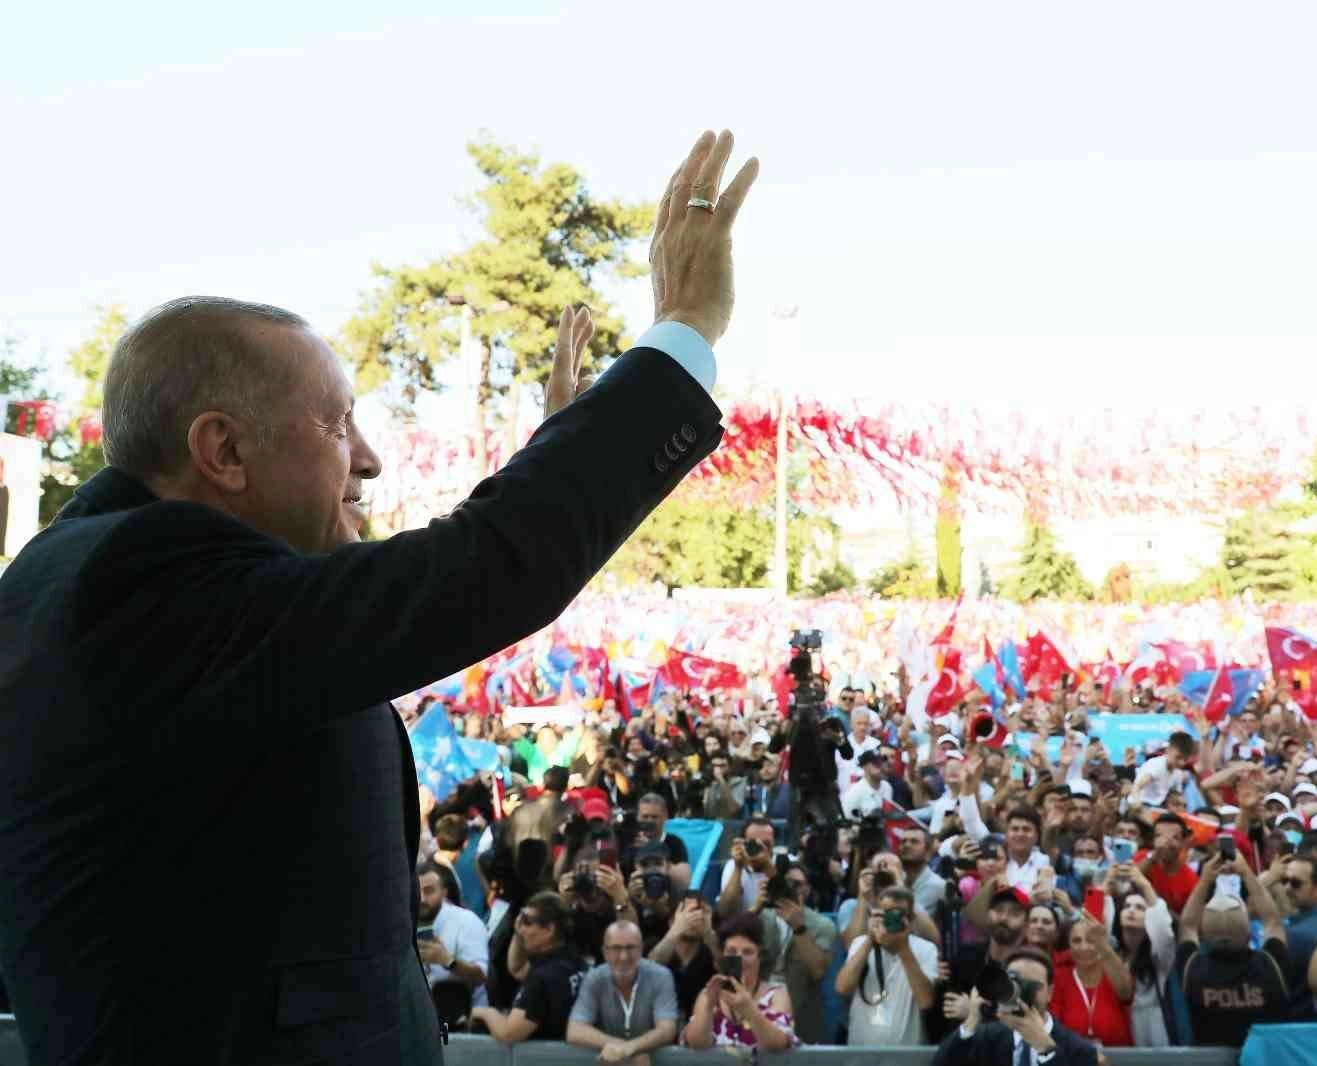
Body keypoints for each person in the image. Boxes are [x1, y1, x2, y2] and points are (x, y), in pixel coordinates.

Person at [0, 128, 757, 1066]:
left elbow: (438, 588)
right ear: (223, 450)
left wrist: (557, 465)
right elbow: (469, 575)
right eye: (337, 422)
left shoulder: (111, 581)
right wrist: (686, 326)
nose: (369, 458)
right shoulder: (135, 587)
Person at [1176, 853, 1292, 1048]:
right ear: (1250, 934)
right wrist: (1246, 872)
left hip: (1208, 1060)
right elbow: (1273, 921)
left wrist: (1205, 880)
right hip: (1264, 1058)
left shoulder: (1192, 968)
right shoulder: (1271, 965)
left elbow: (1187, 926)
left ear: (1204, 935)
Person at [933, 946, 1101, 1066]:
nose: (1022, 993)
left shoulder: (1079, 1049)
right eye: (1014, 983)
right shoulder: (983, 1038)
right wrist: (971, 1022)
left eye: (1033, 985)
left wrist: (1046, 1049)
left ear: (1050, 992)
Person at [469, 892, 586, 1042]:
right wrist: (519, 934)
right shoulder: (571, 959)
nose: (520, 929)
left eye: (527, 922)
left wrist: (485, 1012)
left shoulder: (542, 979)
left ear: (549, 930)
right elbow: (517, 969)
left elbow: (509, 1034)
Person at [836, 886, 940, 1044]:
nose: (893, 919)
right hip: (861, 1048)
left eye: (899, 914)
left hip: (908, 1050)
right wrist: (870, 939)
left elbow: (925, 1001)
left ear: (911, 919)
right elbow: (842, 988)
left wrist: (903, 948)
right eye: (887, 913)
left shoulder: (926, 948)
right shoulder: (860, 944)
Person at [681, 913, 797, 1051]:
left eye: (747, 952)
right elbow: (697, 1043)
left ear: (759, 957)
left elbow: (778, 1044)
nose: (739, 958)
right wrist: (708, 1007)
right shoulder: (709, 994)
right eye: (732, 951)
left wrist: (749, 1009)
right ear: (722, 955)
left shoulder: (778, 995)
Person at [566, 921, 681, 1060]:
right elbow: (575, 1030)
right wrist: (625, 1049)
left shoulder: (660, 976)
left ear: (641, 949)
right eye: (616, 948)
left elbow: (667, 1030)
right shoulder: (595, 978)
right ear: (605, 952)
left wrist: (630, 1048)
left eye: (630, 948)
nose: (624, 957)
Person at [754, 861, 838, 1045]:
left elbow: (817, 972)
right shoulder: (760, 918)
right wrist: (755, 908)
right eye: (785, 883)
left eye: (797, 884)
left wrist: (799, 927)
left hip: (800, 1013)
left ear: (807, 889)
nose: (790, 888)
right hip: (757, 1008)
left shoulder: (822, 925)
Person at [1111, 864, 1177, 1047]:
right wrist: (1107, 886)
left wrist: (1145, 885)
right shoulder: (1113, 952)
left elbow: (1163, 931)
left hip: (1153, 1037)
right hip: (1118, 1036)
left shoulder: (1160, 957)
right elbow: (1095, 928)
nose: (1131, 910)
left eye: (1140, 907)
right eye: (1127, 906)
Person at [1052, 912, 1134, 1048]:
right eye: (1076, 941)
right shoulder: (1059, 979)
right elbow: (1055, 1028)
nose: (1084, 947)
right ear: (1069, 945)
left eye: (1091, 940)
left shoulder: (1115, 973)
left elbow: (1126, 993)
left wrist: (1103, 945)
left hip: (1119, 1056)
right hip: (1074, 1057)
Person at [417, 862, 491, 1010]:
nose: (422, 899)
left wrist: (448, 961)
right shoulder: (404, 923)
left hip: (465, 1014)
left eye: (429, 891)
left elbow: (480, 977)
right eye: (417, 893)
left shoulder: (466, 921)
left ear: (444, 893)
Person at [648, 895, 717, 1014]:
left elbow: (727, 971)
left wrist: (709, 933)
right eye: (686, 914)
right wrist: (677, 929)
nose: (692, 919)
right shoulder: (653, 944)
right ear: (671, 921)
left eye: (697, 913)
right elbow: (648, 969)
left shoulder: (711, 949)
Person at [717, 816, 778, 917]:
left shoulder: (784, 862)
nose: (762, 849)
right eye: (754, 844)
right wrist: (738, 867)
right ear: (744, 843)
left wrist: (768, 865)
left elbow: (789, 904)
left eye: (766, 844)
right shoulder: (733, 865)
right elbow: (725, 912)